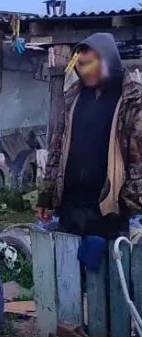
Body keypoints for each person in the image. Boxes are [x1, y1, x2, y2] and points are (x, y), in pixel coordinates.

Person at [38, 33, 142, 238]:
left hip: (109, 211)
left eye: (92, 64)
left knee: (109, 267)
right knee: (70, 265)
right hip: (71, 206)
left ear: (108, 60)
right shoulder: (73, 98)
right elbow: (56, 150)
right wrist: (46, 196)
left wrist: (127, 202)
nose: (86, 71)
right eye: (82, 65)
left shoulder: (132, 101)